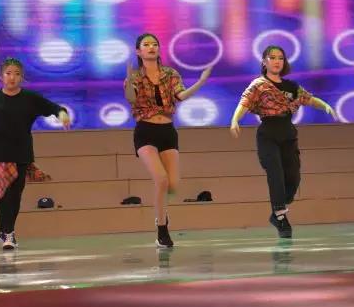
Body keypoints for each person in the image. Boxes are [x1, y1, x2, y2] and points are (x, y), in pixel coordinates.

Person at [229, 45, 338, 238]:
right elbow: (244, 102)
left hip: (288, 134)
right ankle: (280, 216)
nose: (277, 61)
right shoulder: (258, 84)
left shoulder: (291, 86)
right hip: (268, 135)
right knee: (276, 175)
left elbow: (309, 99)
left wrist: (326, 106)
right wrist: (235, 120)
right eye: (272, 57)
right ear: (264, 62)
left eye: (280, 57)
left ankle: (277, 209)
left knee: (293, 178)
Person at [0, 57, 70, 250]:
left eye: (16, 74)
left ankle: (6, 232)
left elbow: (53, 108)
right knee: (2, 195)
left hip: (21, 152)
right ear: (1, 76)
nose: (12, 77)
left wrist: (62, 115)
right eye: (8, 73)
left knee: (15, 195)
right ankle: (8, 233)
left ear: (22, 77)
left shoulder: (30, 98)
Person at [124, 33, 211, 248]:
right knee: (161, 179)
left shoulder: (170, 74)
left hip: (167, 131)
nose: (151, 47)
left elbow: (181, 96)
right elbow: (131, 99)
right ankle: (162, 229)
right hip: (145, 130)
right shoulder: (135, 76)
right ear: (138, 51)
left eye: (154, 44)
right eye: (146, 45)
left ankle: (161, 214)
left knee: (172, 184)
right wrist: (128, 82)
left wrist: (201, 81)